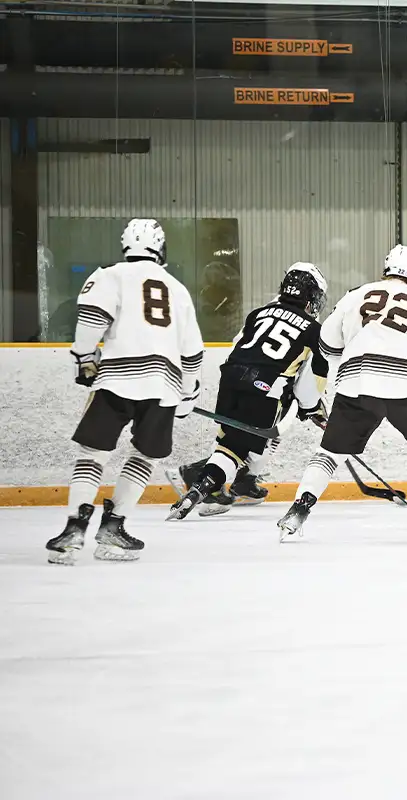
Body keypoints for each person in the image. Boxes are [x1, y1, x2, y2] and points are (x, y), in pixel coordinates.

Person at [276, 244, 407, 543]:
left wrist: (348, 369)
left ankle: (297, 510)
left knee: (329, 453)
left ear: (386, 268)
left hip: (353, 384)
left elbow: (327, 343)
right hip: (403, 383)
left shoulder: (355, 294)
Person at [46, 218, 204, 564]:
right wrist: (189, 393)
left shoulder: (109, 275)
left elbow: (90, 320)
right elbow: (192, 351)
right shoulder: (177, 288)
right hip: (163, 386)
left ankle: (74, 528)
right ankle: (113, 529)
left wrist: (85, 358)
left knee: (92, 454)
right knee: (145, 456)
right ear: (160, 249)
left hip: (115, 379)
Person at [167, 262, 331, 521]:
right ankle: (208, 479)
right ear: (311, 296)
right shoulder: (314, 331)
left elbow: (238, 346)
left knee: (232, 441)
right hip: (264, 391)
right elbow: (309, 386)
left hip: (230, 382)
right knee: (261, 431)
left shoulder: (259, 313)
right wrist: (313, 408)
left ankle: (238, 480)